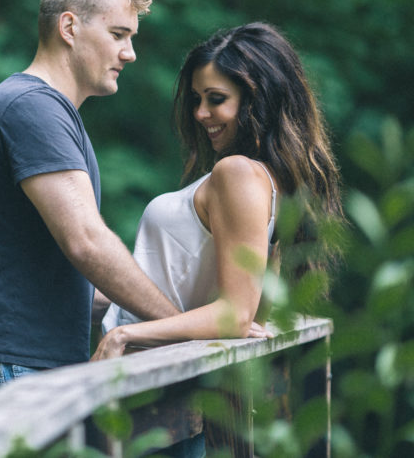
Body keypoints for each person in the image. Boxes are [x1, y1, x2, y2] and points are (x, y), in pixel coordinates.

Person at [0, 0, 182, 421]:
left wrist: (186, 309)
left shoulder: (46, 110)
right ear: (69, 27)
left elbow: (63, 275)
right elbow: (87, 242)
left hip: (11, 370)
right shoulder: (32, 108)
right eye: (118, 34)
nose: (130, 53)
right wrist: (179, 326)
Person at [94, 22, 344, 453]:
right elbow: (250, 309)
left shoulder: (238, 174)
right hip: (167, 395)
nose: (200, 113)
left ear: (256, 99)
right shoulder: (268, 182)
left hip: (149, 394)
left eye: (216, 99)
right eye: (197, 99)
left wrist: (124, 335)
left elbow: (236, 316)